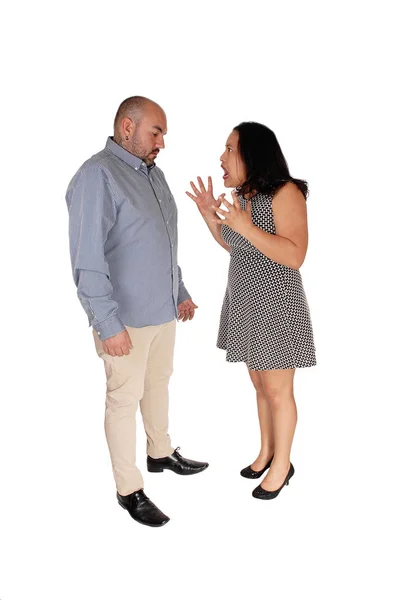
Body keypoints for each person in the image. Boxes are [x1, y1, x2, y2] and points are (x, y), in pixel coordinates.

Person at [66, 96, 208, 528]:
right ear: (127, 127)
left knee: (159, 383)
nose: (162, 141)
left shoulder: (154, 175)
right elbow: (87, 258)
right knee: (123, 399)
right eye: (156, 132)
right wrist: (107, 323)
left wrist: (179, 291)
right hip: (124, 318)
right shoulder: (98, 175)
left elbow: (164, 242)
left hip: (162, 311)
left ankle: (160, 452)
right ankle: (129, 489)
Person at [186, 122, 316, 500]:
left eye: (229, 149)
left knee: (278, 390)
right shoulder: (244, 196)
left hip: (276, 305)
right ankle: (266, 452)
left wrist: (245, 225)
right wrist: (210, 214)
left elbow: (295, 255)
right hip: (245, 301)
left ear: (252, 154)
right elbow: (235, 245)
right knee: (259, 385)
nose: (222, 157)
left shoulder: (286, 192)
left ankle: (283, 465)